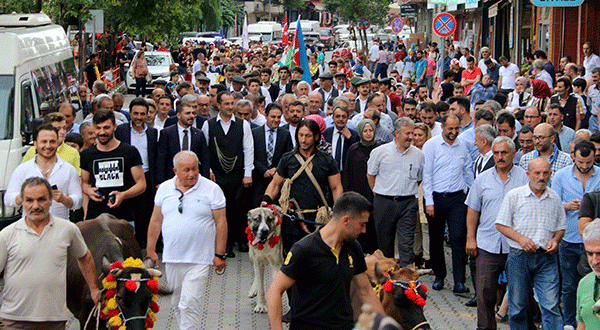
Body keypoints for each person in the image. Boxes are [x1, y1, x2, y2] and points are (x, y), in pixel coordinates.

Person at [266, 191, 384, 330]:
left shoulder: (353, 247)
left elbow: (365, 291)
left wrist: (385, 324)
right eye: (362, 224)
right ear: (345, 220)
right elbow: (274, 291)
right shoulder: (304, 250)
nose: (364, 230)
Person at [0, 177, 99, 329]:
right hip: (14, 320)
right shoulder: (7, 234)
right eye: (29, 200)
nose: (36, 206)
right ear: (23, 202)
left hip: (54, 320)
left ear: (51, 200)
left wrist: (94, 290)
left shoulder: (68, 229)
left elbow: (84, 257)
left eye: (41, 199)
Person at [146, 151, 227, 330]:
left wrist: (220, 253)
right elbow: (155, 221)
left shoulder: (212, 189)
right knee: (177, 304)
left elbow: (221, 222)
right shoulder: (165, 189)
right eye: (186, 170)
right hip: (172, 258)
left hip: (200, 259)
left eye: (195, 169)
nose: (192, 174)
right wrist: (150, 250)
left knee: (189, 304)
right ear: (175, 170)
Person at [465, 136, 529, 329]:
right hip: (487, 243)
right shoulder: (482, 179)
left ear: (513, 154)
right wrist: (470, 238)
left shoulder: (525, 178)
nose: (500, 157)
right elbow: (472, 210)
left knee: (519, 293)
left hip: (516, 245)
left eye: (504, 153)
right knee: (485, 293)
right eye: (496, 153)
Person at [495, 157, 566, 330]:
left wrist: (555, 240)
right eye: (537, 173)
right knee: (517, 305)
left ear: (550, 174)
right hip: (519, 256)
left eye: (545, 173)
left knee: (551, 305)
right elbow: (501, 224)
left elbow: (561, 227)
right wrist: (521, 239)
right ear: (528, 174)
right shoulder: (514, 195)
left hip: (546, 258)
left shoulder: (555, 198)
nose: (541, 177)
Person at [262, 119, 343, 250]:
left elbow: (336, 187)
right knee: (291, 259)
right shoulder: (287, 159)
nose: (303, 140)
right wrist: (266, 199)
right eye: (301, 135)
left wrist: (338, 210)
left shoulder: (327, 160)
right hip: (292, 220)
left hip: (318, 219)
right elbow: (276, 184)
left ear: (316, 137)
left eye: (308, 136)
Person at [551, 140, 600, 329]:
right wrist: (567, 206)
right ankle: (570, 323)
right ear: (573, 157)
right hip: (570, 239)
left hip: (595, 242)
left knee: (592, 283)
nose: (585, 166)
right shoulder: (562, 176)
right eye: (581, 162)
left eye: (588, 162)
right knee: (570, 285)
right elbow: (553, 204)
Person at [423, 113, 473, 294]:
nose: (453, 132)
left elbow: (468, 170)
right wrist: (429, 202)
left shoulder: (463, 145)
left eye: (456, 128)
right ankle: (439, 276)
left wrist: (469, 194)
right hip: (436, 198)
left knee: (458, 237)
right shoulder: (431, 145)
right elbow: (426, 174)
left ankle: (459, 281)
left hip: (457, 198)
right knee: (436, 239)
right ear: (442, 127)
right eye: (450, 128)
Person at [201, 91, 254, 258]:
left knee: (237, 209)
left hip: (237, 174)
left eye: (232, 103)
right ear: (218, 105)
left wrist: (248, 173)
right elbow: (204, 151)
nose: (231, 107)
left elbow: (248, 149)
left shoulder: (242, 124)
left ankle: (239, 239)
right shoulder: (208, 125)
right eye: (227, 104)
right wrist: (208, 171)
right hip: (216, 175)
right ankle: (225, 246)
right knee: (219, 210)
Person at [367, 117, 424, 266]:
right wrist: (378, 192)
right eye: (407, 133)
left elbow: (419, 179)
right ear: (396, 133)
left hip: (408, 203)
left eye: (412, 133)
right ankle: (386, 278)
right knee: (385, 242)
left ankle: (406, 280)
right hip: (384, 202)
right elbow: (370, 175)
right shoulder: (380, 152)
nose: (411, 137)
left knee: (406, 243)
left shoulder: (418, 154)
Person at [80, 109, 146, 222]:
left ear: (115, 127)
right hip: (96, 215)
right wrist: (89, 191)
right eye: (98, 128)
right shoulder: (87, 154)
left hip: (123, 215)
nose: (102, 132)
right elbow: (84, 183)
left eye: (106, 128)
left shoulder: (129, 151)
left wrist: (123, 195)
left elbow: (141, 184)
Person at [5, 124, 82, 221]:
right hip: (30, 229)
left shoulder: (69, 169)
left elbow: (78, 202)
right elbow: (8, 200)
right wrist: (25, 196)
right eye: (44, 142)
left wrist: (63, 199)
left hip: (59, 229)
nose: (48, 146)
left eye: (52, 142)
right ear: (35, 144)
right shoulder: (22, 169)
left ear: (58, 143)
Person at [115, 97, 159, 247]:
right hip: (127, 177)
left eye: (142, 114)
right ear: (130, 113)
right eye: (135, 113)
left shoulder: (153, 133)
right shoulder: (121, 131)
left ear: (148, 114)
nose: (139, 117)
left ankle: (144, 241)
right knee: (128, 210)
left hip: (146, 176)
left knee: (145, 211)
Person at [342, 119, 380, 253]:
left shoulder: (380, 148)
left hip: (375, 193)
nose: (368, 134)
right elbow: (347, 172)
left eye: (371, 131)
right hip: (357, 192)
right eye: (365, 131)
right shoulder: (354, 149)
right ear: (360, 132)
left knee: (373, 226)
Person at [251, 103, 293, 207]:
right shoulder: (255, 133)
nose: (276, 120)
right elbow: (251, 156)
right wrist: (263, 171)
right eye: (273, 117)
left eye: (279, 117)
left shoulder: (285, 134)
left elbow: (288, 156)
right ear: (266, 116)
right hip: (258, 182)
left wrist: (277, 169)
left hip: (277, 181)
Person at [575, 218, 600, 329]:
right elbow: (582, 325)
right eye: (589, 254)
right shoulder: (584, 283)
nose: (595, 261)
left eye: (599, 253)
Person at [324, 106, 359, 172]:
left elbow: (358, 153)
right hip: (329, 173)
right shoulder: (326, 133)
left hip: (346, 174)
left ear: (347, 119)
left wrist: (350, 138)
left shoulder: (354, 135)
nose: (341, 119)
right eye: (338, 116)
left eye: (343, 117)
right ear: (333, 118)